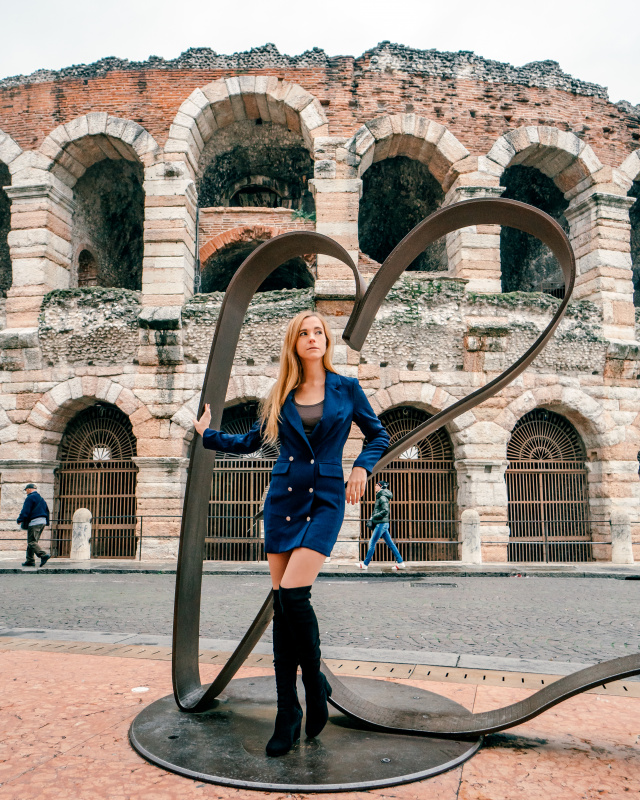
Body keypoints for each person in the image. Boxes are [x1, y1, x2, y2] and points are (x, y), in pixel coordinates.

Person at [194, 310, 389, 757]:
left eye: (318, 331)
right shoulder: (280, 393)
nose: (312, 337)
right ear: (294, 343)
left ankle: (315, 685)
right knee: (283, 607)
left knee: (295, 595)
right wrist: (207, 434)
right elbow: (252, 442)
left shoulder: (347, 388)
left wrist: (361, 466)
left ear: (327, 340)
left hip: (325, 500)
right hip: (282, 501)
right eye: (304, 333)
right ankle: (288, 712)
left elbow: (378, 434)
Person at [358, 480, 405, 570]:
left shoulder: (382, 497)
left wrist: (374, 517)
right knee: (390, 543)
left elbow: (385, 511)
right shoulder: (380, 496)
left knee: (372, 542)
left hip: (381, 524)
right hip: (383, 523)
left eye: (376, 485)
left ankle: (365, 564)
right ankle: (400, 562)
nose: (375, 487)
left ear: (381, 487)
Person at [18, 483, 51, 568]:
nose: (26, 492)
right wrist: (46, 522)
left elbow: (25, 510)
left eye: (26, 490)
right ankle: (30, 560)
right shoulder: (41, 498)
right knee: (32, 541)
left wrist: (20, 519)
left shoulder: (30, 497)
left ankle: (43, 555)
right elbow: (47, 510)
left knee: (32, 542)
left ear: (29, 489)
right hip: (42, 522)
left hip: (34, 522)